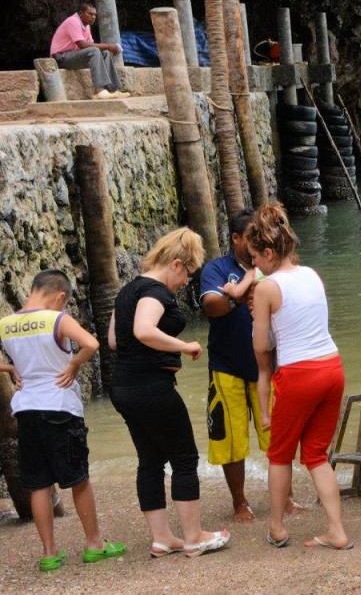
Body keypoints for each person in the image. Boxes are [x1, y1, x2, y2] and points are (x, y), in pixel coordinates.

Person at [108, 227, 230, 558]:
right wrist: (185, 345)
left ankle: (162, 538)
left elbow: (115, 341)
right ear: (176, 264)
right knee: (184, 457)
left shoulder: (127, 291)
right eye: (188, 274)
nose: (187, 282)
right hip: (151, 387)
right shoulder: (155, 292)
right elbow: (143, 330)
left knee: (150, 460)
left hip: (124, 387)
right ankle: (193, 537)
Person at [0, 270, 126, 572]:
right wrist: (72, 364)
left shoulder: (6, 323)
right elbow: (91, 344)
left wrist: (11, 369)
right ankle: (94, 543)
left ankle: (49, 552)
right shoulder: (55, 319)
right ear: (59, 295)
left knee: (39, 483)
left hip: (26, 409)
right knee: (78, 478)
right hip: (59, 406)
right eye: (64, 302)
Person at [246, 202, 352, 550]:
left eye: (256, 260)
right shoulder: (312, 275)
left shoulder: (266, 288)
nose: (255, 267)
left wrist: (258, 322)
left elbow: (262, 345)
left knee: (279, 454)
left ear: (268, 251)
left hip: (299, 373)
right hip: (332, 367)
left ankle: (276, 528)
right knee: (317, 454)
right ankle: (336, 529)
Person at [199, 209, 302, 522]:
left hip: (270, 367)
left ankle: (286, 498)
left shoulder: (272, 265)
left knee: (278, 436)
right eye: (250, 237)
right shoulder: (218, 269)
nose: (256, 241)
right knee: (231, 441)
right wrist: (236, 299)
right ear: (236, 239)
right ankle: (240, 503)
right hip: (227, 365)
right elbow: (210, 305)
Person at [49, 2, 129, 100]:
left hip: (72, 56)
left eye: (95, 15)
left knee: (104, 53)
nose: (93, 17)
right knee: (95, 51)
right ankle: (98, 91)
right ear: (81, 13)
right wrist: (108, 45)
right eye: (90, 14)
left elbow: (91, 44)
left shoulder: (86, 26)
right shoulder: (73, 21)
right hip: (60, 58)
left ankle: (112, 90)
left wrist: (107, 49)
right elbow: (83, 45)